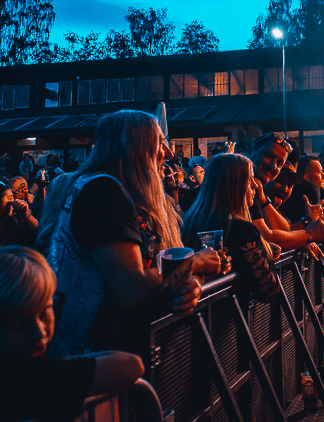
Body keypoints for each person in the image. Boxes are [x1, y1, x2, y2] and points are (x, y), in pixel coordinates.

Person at [0, 245, 145, 422]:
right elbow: (131, 365)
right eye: (18, 323)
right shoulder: (14, 377)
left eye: (45, 312)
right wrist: (67, 366)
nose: (39, 332)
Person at [44, 110, 209, 357]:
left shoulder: (121, 192)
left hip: (116, 351)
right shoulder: (103, 190)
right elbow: (133, 288)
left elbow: (155, 271)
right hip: (93, 355)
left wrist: (189, 284)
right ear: (132, 146)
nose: (168, 153)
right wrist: (196, 262)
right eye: (159, 143)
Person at [182, 154, 279, 302]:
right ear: (234, 185)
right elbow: (270, 291)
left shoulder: (190, 221)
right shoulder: (242, 230)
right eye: (250, 180)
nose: (255, 186)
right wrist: (266, 256)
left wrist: (262, 248)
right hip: (231, 313)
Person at [0, 179, 38, 248]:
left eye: (12, 197)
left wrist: (28, 215)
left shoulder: (13, 221)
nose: (13, 202)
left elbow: (35, 232)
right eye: (9, 198)